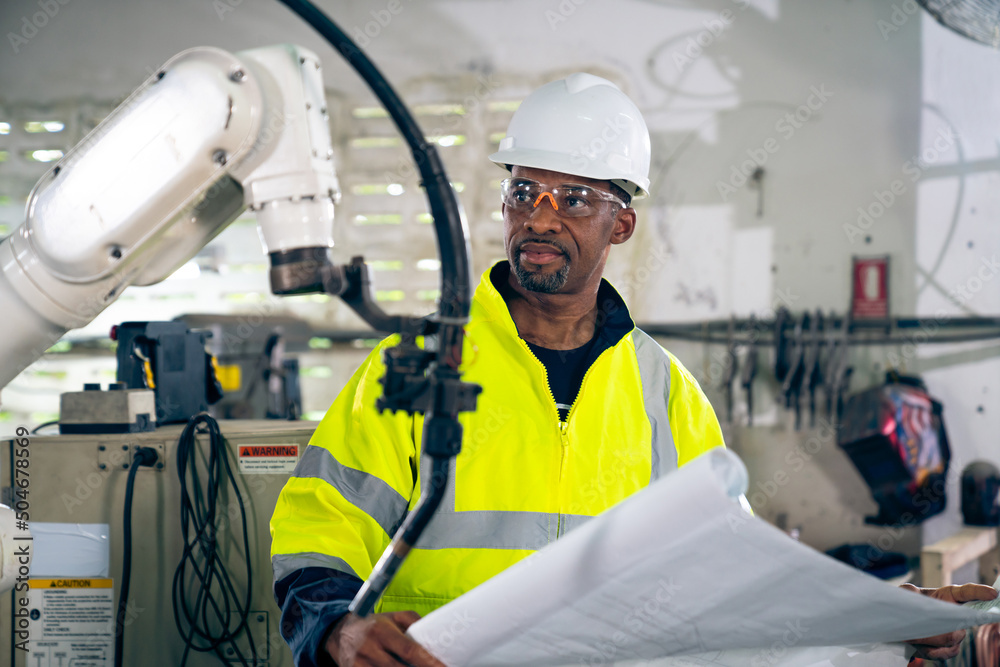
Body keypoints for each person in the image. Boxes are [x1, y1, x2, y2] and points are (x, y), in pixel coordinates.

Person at [270, 73, 995, 667]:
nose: (542, 218)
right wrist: (337, 629)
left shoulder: (666, 393)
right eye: (526, 192)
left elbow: (737, 578)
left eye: (575, 198)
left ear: (621, 223)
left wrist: (881, 610)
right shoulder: (415, 369)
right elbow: (318, 535)